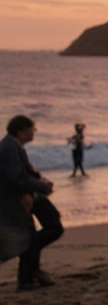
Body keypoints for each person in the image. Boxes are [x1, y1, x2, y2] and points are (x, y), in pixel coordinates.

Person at [1, 115, 61, 290]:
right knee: (29, 237)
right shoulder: (8, 148)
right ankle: (27, 277)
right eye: (32, 129)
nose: (34, 133)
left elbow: (23, 174)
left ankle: (31, 269)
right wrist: (41, 187)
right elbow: (16, 178)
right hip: (13, 199)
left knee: (53, 225)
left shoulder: (14, 146)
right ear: (21, 130)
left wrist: (40, 182)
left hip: (27, 195)